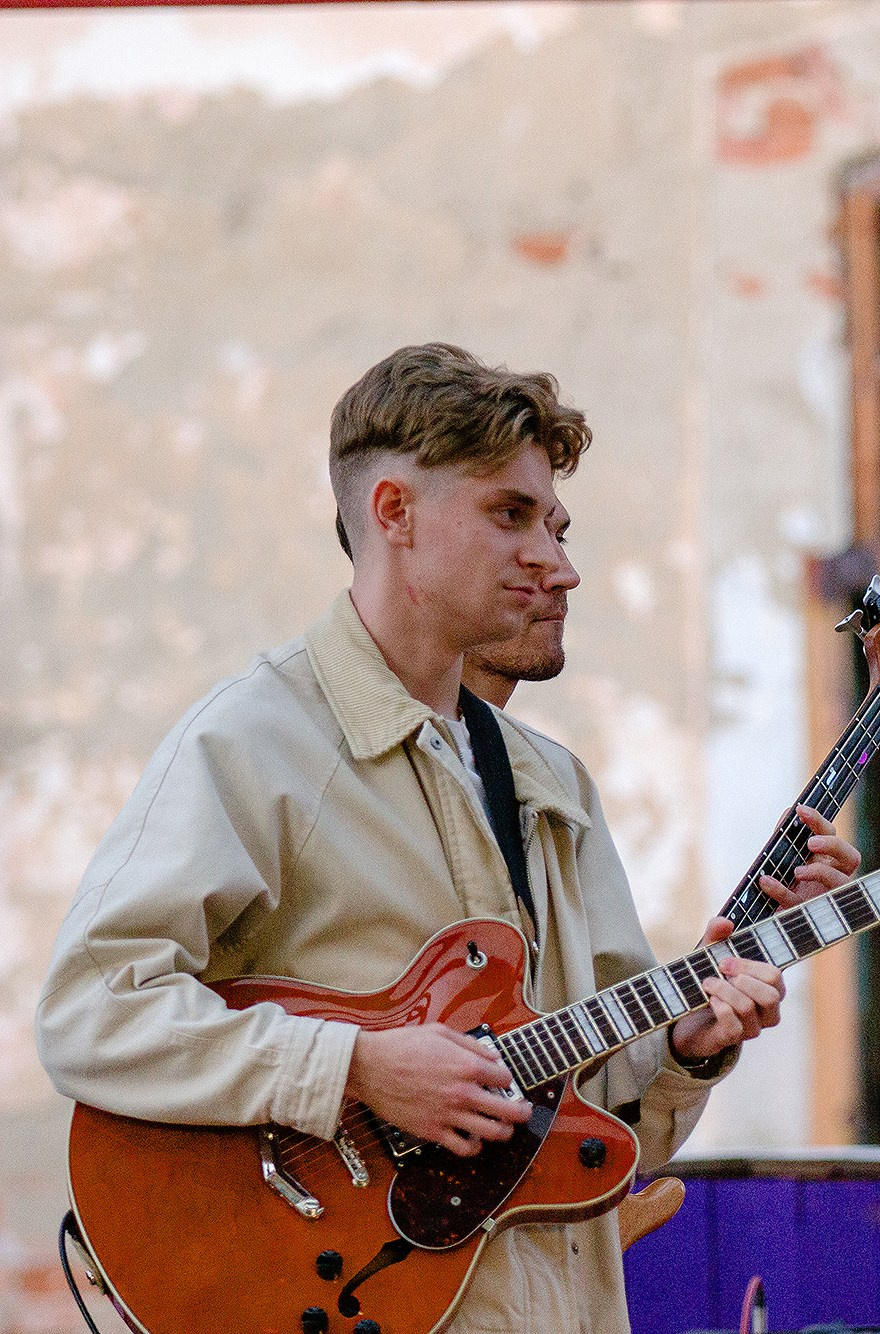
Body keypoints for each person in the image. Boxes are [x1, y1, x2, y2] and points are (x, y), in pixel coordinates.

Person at [37, 343, 795, 1332]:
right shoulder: (255, 741)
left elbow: (605, 1130)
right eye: (510, 515)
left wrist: (686, 1053)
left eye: (556, 524)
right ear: (394, 513)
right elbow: (91, 1009)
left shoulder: (551, 785)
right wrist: (353, 1067)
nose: (558, 562)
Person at [456, 499, 857, 917]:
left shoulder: (559, 784)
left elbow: (626, 987)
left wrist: (766, 932)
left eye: (559, 536)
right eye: (509, 521)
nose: (567, 575)